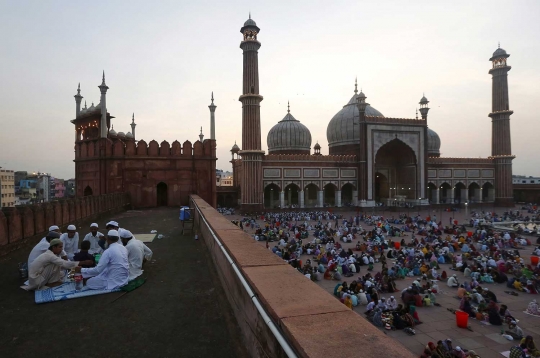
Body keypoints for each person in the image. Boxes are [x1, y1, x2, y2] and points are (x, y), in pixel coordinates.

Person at [26, 239, 93, 290]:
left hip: (36, 278)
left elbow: (64, 265)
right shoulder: (50, 256)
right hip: (36, 281)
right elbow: (64, 263)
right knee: (57, 264)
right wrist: (84, 262)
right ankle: (51, 283)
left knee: (61, 272)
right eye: (60, 247)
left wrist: (73, 268)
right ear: (54, 248)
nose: (61, 249)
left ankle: (51, 281)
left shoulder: (50, 254)